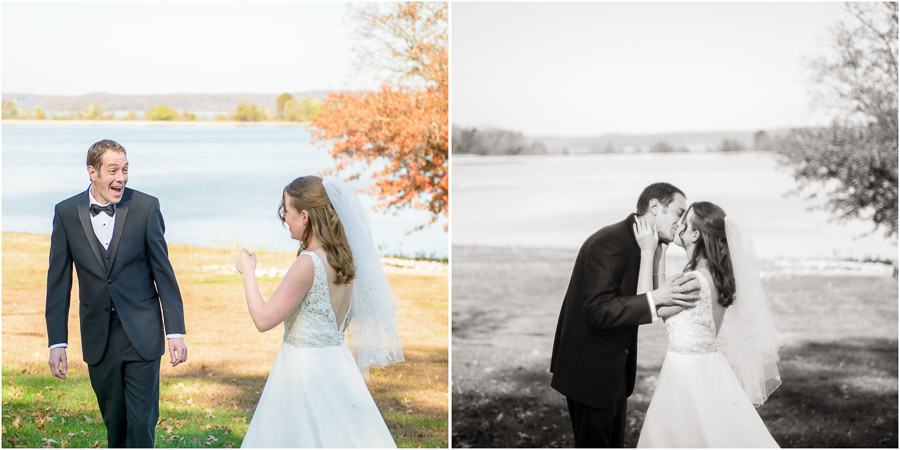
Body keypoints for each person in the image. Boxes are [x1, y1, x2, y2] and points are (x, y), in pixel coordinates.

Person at [235, 175, 403, 448]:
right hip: (338, 366)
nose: (284, 219)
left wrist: (248, 272)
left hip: (304, 371)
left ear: (304, 216)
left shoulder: (309, 263)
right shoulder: (345, 260)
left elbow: (263, 319)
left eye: (286, 212)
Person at [45, 139, 188, 448]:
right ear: (92, 172)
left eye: (125, 170)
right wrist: (57, 342)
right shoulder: (66, 213)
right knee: (115, 423)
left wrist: (175, 331)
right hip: (99, 338)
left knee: (141, 422)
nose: (121, 178)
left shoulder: (146, 207)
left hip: (143, 333)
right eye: (113, 170)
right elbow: (58, 282)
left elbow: (164, 273)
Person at [550, 182, 702, 447]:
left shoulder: (645, 245)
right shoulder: (609, 243)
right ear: (655, 207)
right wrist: (656, 297)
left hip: (615, 372)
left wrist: (657, 256)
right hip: (590, 373)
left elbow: (646, 306)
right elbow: (597, 312)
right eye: (679, 213)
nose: (681, 223)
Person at [633, 201, 782, 447]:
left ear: (695, 235)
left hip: (687, 373)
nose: (678, 225)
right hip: (709, 365)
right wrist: (662, 253)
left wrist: (647, 252)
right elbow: (661, 300)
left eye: (685, 220)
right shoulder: (712, 275)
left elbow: (645, 307)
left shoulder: (693, 282)